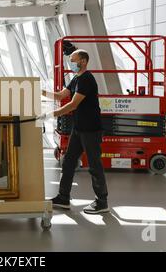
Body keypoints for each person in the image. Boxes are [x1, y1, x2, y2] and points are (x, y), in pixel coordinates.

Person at [39, 49, 109, 214]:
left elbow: (72, 105)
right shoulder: (76, 79)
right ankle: (63, 197)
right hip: (78, 129)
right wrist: (40, 91)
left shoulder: (86, 79)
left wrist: (49, 115)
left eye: (73, 60)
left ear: (83, 61)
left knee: (94, 166)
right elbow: (59, 95)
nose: (70, 63)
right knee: (69, 162)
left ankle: (102, 201)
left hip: (91, 130)